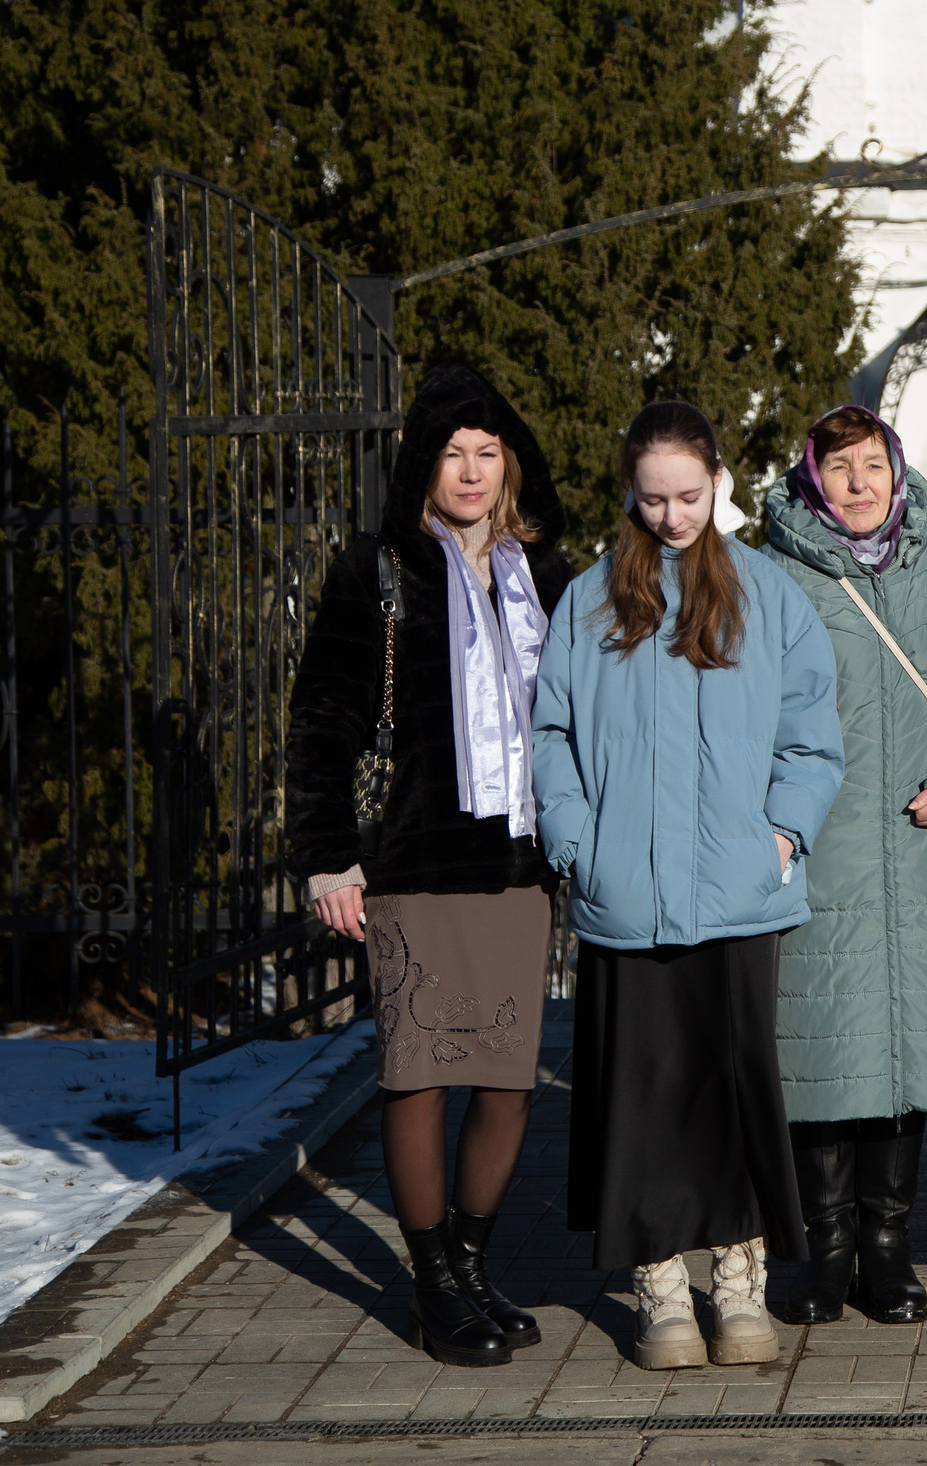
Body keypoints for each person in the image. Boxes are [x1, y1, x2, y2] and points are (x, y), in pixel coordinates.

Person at [532, 400, 845, 1372]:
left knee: (733, 1096)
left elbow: (810, 733)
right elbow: (552, 740)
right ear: (629, 490)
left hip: (741, 897)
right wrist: (578, 846)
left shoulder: (768, 596)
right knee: (646, 1104)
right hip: (625, 901)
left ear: (719, 483)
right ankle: (661, 1290)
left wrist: (784, 835)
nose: (671, 517)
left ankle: (739, 1284)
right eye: (654, 497)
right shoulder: (590, 600)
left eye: (689, 496)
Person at [288, 364, 573, 1369]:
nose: (470, 470)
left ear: (511, 466)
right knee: (420, 1076)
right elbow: (322, 716)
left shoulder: (548, 573)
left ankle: (466, 1262)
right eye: (453, 452)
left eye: (487, 453)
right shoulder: (378, 567)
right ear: (423, 460)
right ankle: (428, 1287)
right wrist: (327, 856)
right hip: (413, 861)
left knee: (506, 1082)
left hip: (519, 865)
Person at [761, 404, 927, 1326]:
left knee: (909, 1055)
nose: (859, 483)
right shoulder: (773, 572)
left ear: (895, 465)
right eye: (838, 469)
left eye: (871, 463)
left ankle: (890, 1247)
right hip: (816, 847)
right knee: (824, 1052)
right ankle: (824, 1248)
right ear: (812, 477)